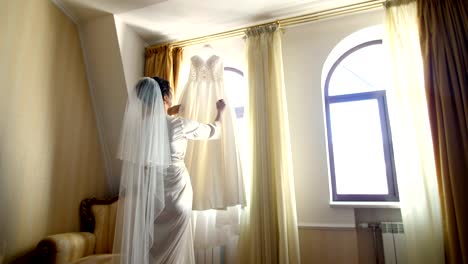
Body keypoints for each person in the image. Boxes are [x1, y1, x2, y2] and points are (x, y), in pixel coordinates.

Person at [113, 77, 226, 264]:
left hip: (151, 201)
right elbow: (214, 131)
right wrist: (220, 112)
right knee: (175, 254)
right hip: (177, 196)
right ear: (165, 97)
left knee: (152, 252)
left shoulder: (137, 130)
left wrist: (170, 111)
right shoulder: (178, 124)